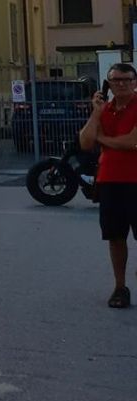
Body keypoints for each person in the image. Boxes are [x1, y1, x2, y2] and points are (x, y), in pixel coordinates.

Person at [80, 63, 137, 308]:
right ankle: (120, 287)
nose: (121, 84)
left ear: (135, 82)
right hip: (110, 181)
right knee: (115, 237)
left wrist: (101, 139)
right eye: (115, 80)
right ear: (108, 84)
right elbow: (84, 142)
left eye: (126, 79)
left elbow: (132, 142)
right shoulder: (104, 109)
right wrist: (96, 113)